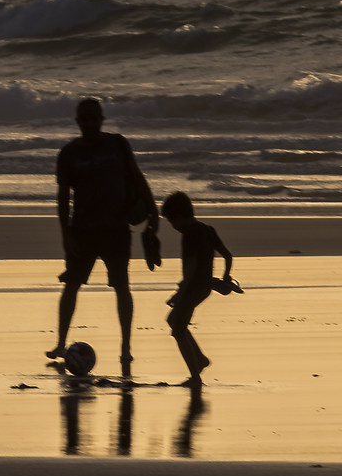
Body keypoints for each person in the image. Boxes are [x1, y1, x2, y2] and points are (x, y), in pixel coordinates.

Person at [49, 97, 156, 379]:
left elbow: (137, 177)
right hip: (82, 231)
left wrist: (153, 212)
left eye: (94, 119)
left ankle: (126, 346)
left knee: (122, 287)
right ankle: (60, 343)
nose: (90, 124)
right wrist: (65, 234)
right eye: (85, 119)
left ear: (102, 119)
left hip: (116, 229)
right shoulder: (69, 154)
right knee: (71, 285)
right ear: (78, 122)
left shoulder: (117, 145)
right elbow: (62, 197)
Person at [160, 190, 235, 387]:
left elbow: (190, 269)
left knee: (178, 329)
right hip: (205, 287)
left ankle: (195, 377)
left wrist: (179, 294)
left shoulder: (189, 235)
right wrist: (226, 277)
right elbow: (228, 256)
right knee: (173, 320)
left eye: (171, 221)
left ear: (179, 216)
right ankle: (200, 359)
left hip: (193, 288)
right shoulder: (208, 230)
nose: (172, 226)